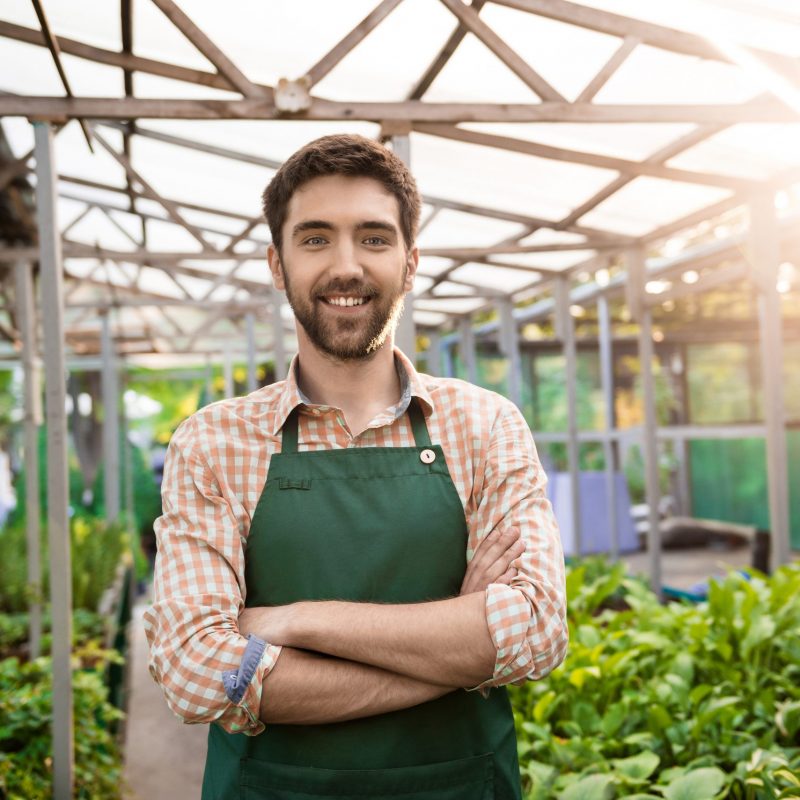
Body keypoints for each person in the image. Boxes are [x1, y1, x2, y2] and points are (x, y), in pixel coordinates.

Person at [144, 133, 568, 800]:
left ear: (411, 261)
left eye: (373, 237)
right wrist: (461, 649)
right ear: (277, 265)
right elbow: (198, 671)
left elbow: (536, 632)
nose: (347, 266)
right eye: (315, 239)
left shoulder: (485, 426)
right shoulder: (213, 441)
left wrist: (291, 622)